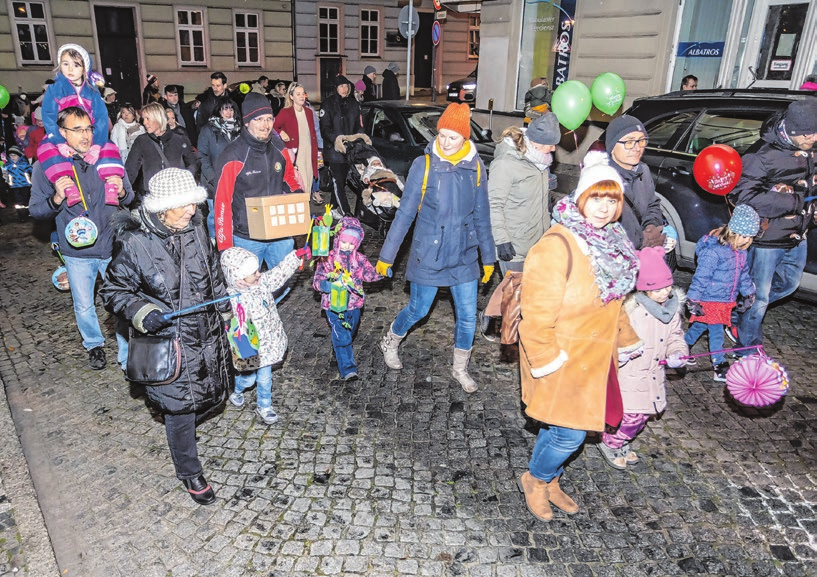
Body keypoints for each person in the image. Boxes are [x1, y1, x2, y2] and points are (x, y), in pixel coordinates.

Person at [516, 151, 641, 522]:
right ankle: (535, 479)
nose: (603, 208)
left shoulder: (614, 242)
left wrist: (628, 339)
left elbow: (615, 303)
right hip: (561, 360)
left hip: (595, 359)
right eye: (596, 198)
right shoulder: (557, 245)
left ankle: (550, 479)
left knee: (564, 430)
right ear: (582, 197)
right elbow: (534, 315)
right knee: (569, 436)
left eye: (612, 199)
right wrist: (547, 361)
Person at [100, 168, 229, 506]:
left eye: (193, 203)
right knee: (179, 408)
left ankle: (186, 432)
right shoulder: (135, 242)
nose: (192, 210)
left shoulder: (196, 227)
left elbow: (212, 267)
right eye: (184, 205)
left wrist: (225, 303)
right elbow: (113, 289)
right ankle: (189, 471)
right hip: (169, 339)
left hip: (204, 330)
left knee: (206, 395)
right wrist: (142, 312)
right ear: (162, 207)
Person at [376, 103, 496, 393]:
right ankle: (391, 339)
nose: (445, 141)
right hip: (428, 253)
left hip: (464, 255)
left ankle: (460, 368)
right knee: (418, 309)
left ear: (465, 139)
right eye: (441, 134)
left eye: (452, 137)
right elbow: (405, 214)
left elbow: (482, 213)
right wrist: (386, 255)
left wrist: (488, 257)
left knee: (467, 316)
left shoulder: (475, 168)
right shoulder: (424, 165)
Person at [30, 106, 134, 371]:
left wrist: (122, 192)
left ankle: (126, 353)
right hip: (77, 251)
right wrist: (56, 198)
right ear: (62, 132)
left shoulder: (108, 157)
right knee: (84, 305)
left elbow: (130, 197)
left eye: (88, 128)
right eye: (77, 130)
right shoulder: (46, 166)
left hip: (112, 246)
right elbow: (36, 210)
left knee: (121, 302)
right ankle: (94, 345)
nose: (85, 135)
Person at [727, 99, 817, 352]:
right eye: (809, 134)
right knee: (760, 296)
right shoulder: (761, 155)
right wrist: (795, 201)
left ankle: (736, 313)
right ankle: (747, 349)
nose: (814, 138)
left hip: (798, 231)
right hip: (768, 236)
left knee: (789, 283)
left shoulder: (811, 146)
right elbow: (742, 196)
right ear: (793, 130)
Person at [597, 247, 688, 470]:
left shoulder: (671, 310)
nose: (664, 292)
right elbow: (613, 339)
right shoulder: (631, 311)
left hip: (653, 374)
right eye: (656, 289)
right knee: (630, 416)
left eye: (667, 286)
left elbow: (675, 336)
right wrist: (623, 353)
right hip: (630, 374)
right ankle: (611, 443)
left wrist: (677, 353)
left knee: (643, 416)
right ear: (643, 289)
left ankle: (622, 442)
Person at [480, 112, 561, 341]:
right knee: (515, 288)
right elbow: (493, 204)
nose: (554, 150)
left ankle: (489, 316)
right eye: (550, 145)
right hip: (513, 240)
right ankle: (512, 338)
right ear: (535, 141)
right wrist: (502, 239)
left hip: (538, 237)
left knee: (519, 285)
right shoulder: (506, 163)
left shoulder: (541, 162)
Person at [214, 92, 302, 272]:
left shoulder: (279, 149)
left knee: (283, 283)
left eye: (269, 118)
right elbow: (222, 203)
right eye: (259, 119)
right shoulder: (232, 155)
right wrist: (225, 246)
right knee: (247, 290)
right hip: (247, 238)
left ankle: (271, 301)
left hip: (280, 234)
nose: (266, 125)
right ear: (247, 121)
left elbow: (289, 179)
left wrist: (298, 196)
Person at [221, 245, 308, 422]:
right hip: (249, 346)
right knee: (248, 379)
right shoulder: (232, 299)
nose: (258, 274)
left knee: (264, 377)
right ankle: (236, 390)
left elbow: (279, 272)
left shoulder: (263, 283)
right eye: (253, 273)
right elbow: (230, 324)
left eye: (257, 270)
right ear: (239, 280)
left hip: (268, 341)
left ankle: (265, 406)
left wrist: (295, 256)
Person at [38, 43, 126, 209]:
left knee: (110, 148)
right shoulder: (55, 90)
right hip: (64, 134)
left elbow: (100, 118)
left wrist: (97, 145)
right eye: (65, 64)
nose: (70, 68)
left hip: (89, 135)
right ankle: (67, 185)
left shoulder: (92, 93)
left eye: (76, 64)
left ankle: (112, 185)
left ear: (85, 68)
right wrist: (58, 141)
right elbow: (48, 116)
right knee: (46, 149)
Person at [685, 205, 759, 381]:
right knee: (717, 331)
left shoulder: (741, 252)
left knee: (701, 325)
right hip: (709, 298)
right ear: (733, 231)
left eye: (750, 237)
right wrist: (693, 299)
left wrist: (749, 293)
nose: (746, 241)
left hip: (726, 299)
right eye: (744, 236)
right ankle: (719, 364)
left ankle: (683, 344)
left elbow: (743, 274)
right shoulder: (713, 252)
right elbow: (701, 277)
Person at [313, 217, 384, 380]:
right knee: (343, 336)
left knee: (349, 332)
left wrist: (380, 273)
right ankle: (348, 369)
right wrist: (325, 285)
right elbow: (317, 280)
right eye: (344, 242)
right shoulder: (328, 259)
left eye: (352, 244)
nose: (347, 246)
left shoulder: (359, 259)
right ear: (338, 239)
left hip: (354, 304)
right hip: (334, 306)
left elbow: (367, 274)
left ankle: (339, 350)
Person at [605, 114, 665, 250]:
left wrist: (651, 227)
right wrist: (640, 239)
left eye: (641, 141)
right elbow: (598, 229)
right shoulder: (601, 180)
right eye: (629, 141)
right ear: (612, 146)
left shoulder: (643, 170)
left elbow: (652, 204)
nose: (637, 148)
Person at [125, 102, 200, 202]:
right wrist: (124, 193)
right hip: (153, 197)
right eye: (144, 119)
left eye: (148, 118)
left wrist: (184, 177)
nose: (144, 122)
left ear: (158, 118)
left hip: (177, 195)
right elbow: (130, 170)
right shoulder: (141, 141)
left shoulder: (179, 139)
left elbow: (192, 163)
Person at [319, 75, 364, 216]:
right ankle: (347, 214)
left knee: (342, 180)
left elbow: (359, 125)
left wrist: (357, 139)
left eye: (346, 86)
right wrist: (338, 140)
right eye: (341, 87)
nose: (344, 89)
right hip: (334, 151)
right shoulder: (328, 104)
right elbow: (325, 129)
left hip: (350, 151)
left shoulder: (353, 104)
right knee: (338, 180)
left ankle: (332, 209)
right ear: (336, 88)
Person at [198, 97, 242, 236]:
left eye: (231, 108)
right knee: (216, 215)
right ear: (218, 111)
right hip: (214, 181)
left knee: (235, 214)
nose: (228, 112)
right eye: (224, 109)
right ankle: (213, 241)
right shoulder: (208, 130)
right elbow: (202, 155)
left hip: (236, 181)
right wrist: (212, 177)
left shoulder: (240, 129)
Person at [274, 82, 320, 204]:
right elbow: (273, 127)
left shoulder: (309, 112)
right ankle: (302, 213)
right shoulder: (285, 112)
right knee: (300, 185)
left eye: (303, 94)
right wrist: (281, 133)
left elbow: (313, 134)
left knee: (309, 183)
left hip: (309, 154)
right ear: (291, 96)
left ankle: (306, 212)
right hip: (295, 156)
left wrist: (319, 151)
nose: (301, 96)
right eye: (297, 94)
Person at [4, 146, 33, 221]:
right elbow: (5, 173)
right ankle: (21, 215)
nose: (13, 157)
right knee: (18, 201)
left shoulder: (24, 164)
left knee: (26, 199)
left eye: (15, 155)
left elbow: (32, 169)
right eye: (11, 155)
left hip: (25, 185)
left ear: (19, 155)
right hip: (15, 186)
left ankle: (27, 213)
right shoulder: (8, 165)